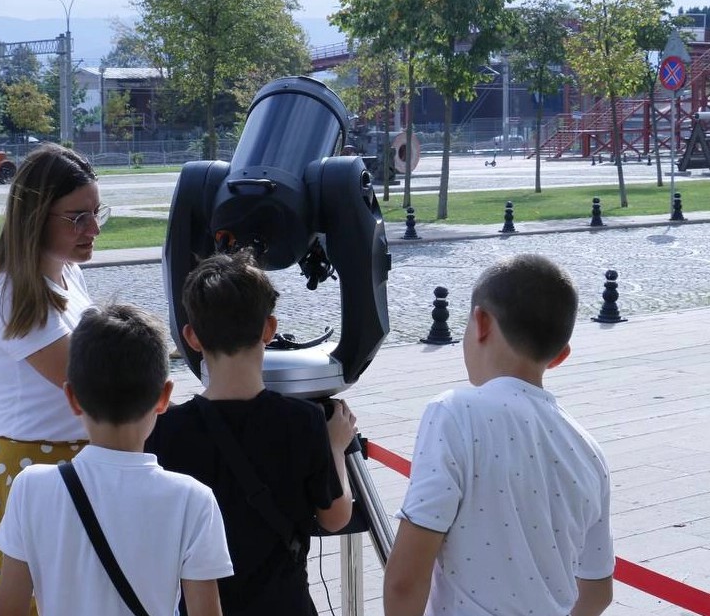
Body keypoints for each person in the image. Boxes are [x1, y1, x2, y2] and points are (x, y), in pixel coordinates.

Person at [383, 254, 614, 616]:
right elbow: (598, 591)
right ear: (559, 356)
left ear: (481, 323)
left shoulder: (454, 413)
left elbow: (405, 580)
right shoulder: (588, 449)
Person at [146, 250, 357, 616]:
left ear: (191, 338)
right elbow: (335, 517)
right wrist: (336, 447)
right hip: (285, 604)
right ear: (269, 329)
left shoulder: (165, 430)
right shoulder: (303, 421)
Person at [0, 303, 233, 616]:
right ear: (163, 398)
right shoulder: (193, 499)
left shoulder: (30, 488)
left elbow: (9, 610)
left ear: (72, 397)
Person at [0, 143, 111, 614]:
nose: (93, 229)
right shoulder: (11, 293)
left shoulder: (66, 275)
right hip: (26, 472)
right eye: (76, 218)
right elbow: (86, 384)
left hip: (69, 469)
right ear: (35, 216)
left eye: (96, 213)